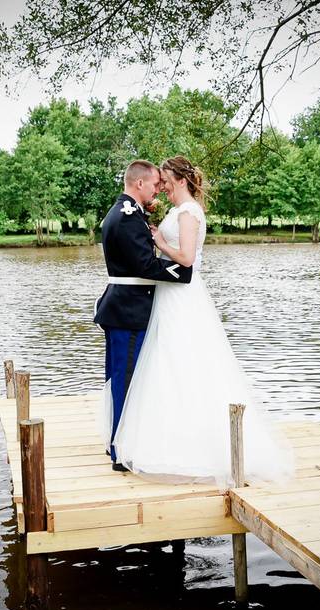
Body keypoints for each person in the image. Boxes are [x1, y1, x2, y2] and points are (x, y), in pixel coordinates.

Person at [111, 156, 294, 487]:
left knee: (187, 363)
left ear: (180, 180)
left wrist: (159, 243)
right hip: (168, 296)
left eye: (165, 180)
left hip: (183, 295)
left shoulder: (190, 212)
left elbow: (187, 260)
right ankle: (165, 439)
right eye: (159, 181)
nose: (162, 186)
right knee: (166, 366)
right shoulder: (174, 211)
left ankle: (197, 447)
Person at [95, 160, 193, 472]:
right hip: (129, 310)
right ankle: (121, 453)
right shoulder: (126, 217)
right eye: (153, 185)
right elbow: (144, 266)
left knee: (119, 380)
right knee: (125, 382)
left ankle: (117, 443)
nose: (157, 190)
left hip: (120, 307)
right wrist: (185, 273)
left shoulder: (126, 212)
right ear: (139, 184)